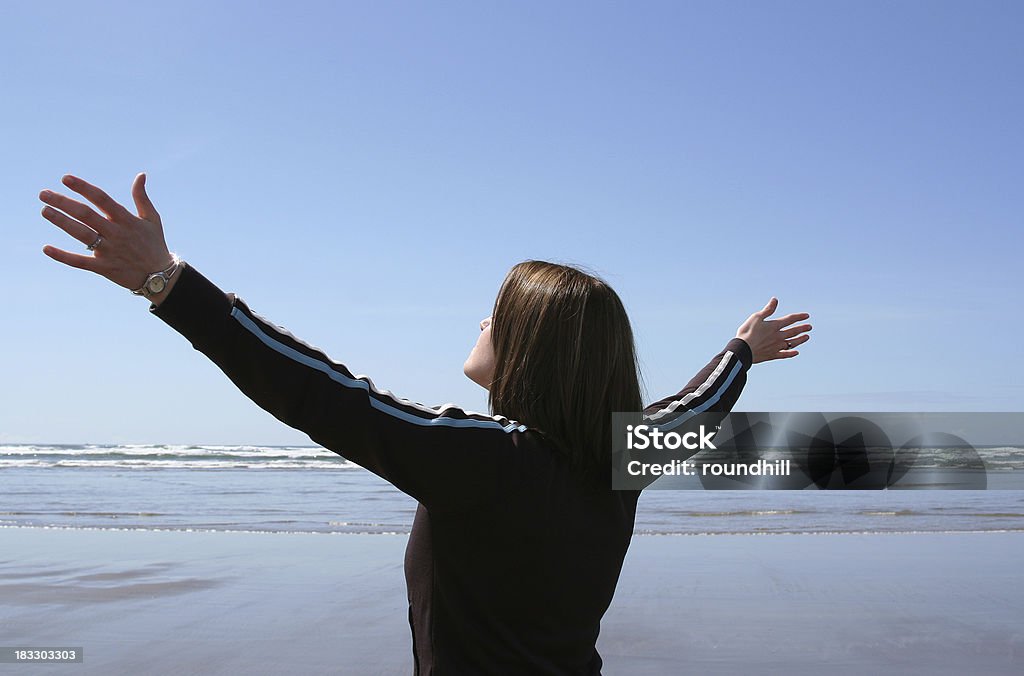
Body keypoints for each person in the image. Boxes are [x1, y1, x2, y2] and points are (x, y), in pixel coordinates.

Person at [38, 173, 812, 675]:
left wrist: (167, 283)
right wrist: (741, 351)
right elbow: (698, 407)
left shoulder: (486, 461)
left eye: (497, 314)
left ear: (530, 349)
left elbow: (321, 393)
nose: (481, 319)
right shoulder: (618, 454)